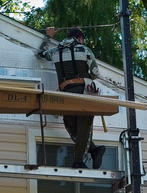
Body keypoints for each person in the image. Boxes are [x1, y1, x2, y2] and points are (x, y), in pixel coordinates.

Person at [36, 26, 107, 169]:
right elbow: (94, 73)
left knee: (70, 125)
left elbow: (40, 54)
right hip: (83, 92)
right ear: (80, 38)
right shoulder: (84, 49)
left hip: (65, 94)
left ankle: (93, 150)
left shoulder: (55, 52)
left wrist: (48, 36)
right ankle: (80, 160)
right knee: (84, 126)